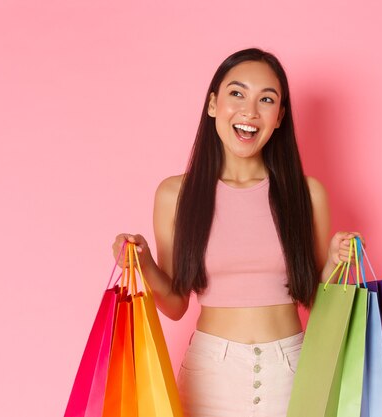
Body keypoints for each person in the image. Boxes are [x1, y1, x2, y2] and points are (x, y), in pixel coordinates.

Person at [112, 48, 362, 417]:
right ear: (213, 104)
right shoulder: (174, 194)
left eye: (266, 100)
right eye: (237, 93)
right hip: (209, 375)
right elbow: (176, 303)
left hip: (291, 372)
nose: (250, 111)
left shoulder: (308, 194)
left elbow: (315, 299)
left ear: (279, 118)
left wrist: (336, 265)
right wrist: (144, 260)